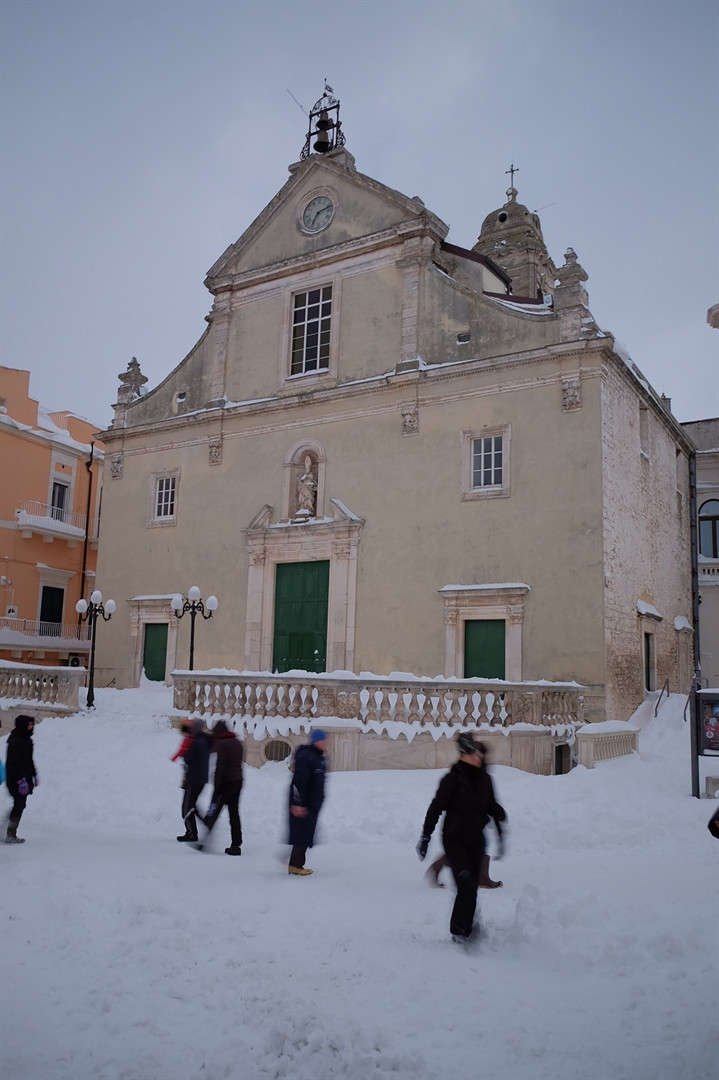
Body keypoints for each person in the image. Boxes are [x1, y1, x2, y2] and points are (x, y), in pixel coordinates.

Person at [417, 733, 506, 942]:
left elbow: (492, 806)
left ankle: (468, 925)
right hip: (454, 839)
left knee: (471, 888)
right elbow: (436, 808)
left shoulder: (485, 779)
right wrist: (425, 836)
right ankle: (459, 932)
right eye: (473, 753)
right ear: (465, 755)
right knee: (466, 884)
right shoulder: (452, 779)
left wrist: (502, 833)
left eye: (477, 753)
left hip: (475, 839)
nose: (477, 757)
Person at [287, 729, 328, 875]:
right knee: (302, 833)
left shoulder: (317, 757)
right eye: (322, 740)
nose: (325, 743)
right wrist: (298, 803)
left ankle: (296, 864)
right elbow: (298, 782)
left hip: (312, 803)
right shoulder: (307, 757)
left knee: (305, 833)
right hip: (304, 802)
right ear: (316, 741)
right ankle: (295, 865)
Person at [200, 720, 244, 855]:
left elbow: (221, 767)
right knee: (234, 813)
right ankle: (236, 845)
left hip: (225, 782)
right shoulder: (237, 742)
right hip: (238, 781)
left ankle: (204, 842)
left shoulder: (222, 744)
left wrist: (217, 786)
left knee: (214, 810)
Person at [5, 715, 38, 845]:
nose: (32, 727)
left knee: (20, 804)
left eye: (32, 724)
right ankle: (9, 833)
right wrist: (20, 780)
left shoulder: (27, 740)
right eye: (29, 725)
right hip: (15, 779)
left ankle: (8, 831)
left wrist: (34, 774)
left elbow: (28, 760)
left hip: (25, 777)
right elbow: (13, 763)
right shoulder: (15, 741)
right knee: (19, 804)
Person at [176, 719, 210, 843]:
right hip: (197, 779)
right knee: (192, 806)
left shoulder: (196, 743)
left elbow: (187, 757)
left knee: (187, 808)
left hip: (194, 780)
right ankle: (203, 825)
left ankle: (193, 833)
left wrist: (186, 748)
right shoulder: (203, 741)